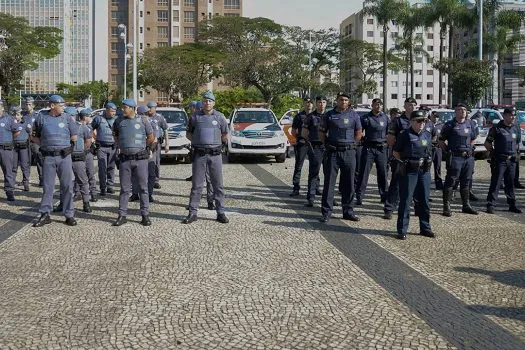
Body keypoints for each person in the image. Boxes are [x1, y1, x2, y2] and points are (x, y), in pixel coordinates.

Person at [183, 91, 229, 224]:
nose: (207, 103)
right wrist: (199, 142)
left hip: (215, 155)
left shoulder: (220, 117)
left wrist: (216, 144)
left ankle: (220, 212)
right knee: (196, 185)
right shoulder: (195, 117)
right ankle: (192, 212)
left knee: (218, 185)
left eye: (210, 101)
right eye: (205, 101)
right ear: (202, 103)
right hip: (200, 155)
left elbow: (225, 134)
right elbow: (188, 134)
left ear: (213, 103)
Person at [32, 95, 79, 227]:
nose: (63, 107)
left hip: (64, 157)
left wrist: (67, 148)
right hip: (48, 157)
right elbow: (34, 136)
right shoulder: (42, 117)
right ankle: (45, 214)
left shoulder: (68, 118)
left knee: (67, 186)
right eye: (61, 105)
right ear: (52, 105)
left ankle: (69, 215)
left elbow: (74, 137)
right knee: (48, 187)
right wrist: (45, 146)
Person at [318, 92, 362, 223]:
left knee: (349, 184)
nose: (343, 102)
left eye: (346, 100)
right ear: (337, 101)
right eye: (341, 99)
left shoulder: (354, 115)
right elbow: (321, 132)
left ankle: (348, 211)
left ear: (349, 102)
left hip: (349, 152)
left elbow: (359, 132)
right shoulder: (329, 115)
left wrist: (354, 144)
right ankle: (326, 212)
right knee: (329, 183)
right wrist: (326, 145)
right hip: (333, 152)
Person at [112, 99, 155, 226]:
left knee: (143, 188)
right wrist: (123, 146)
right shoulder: (118, 121)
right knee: (124, 189)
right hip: (125, 159)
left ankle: (145, 214)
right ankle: (122, 215)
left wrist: (142, 147)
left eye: (125, 107)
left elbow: (151, 137)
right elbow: (115, 135)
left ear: (132, 108)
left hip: (140, 159)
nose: (122, 109)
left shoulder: (143, 120)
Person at [394, 110, 434, 240]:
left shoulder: (427, 134)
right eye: (419, 121)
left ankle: (425, 227)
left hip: (424, 171)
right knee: (406, 200)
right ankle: (402, 229)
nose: (422, 123)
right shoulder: (405, 134)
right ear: (412, 122)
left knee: (424, 200)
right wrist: (406, 163)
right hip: (410, 170)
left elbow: (429, 151)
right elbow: (396, 152)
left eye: (424, 121)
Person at [438, 103, 479, 217]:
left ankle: (466, 205)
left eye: (464, 110)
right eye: (459, 110)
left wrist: (470, 148)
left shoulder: (470, 124)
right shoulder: (450, 125)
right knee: (451, 181)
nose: (462, 112)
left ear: (466, 112)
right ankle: (446, 206)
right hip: (455, 157)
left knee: (466, 181)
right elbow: (441, 140)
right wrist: (447, 151)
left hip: (468, 158)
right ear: (455, 112)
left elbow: (474, 138)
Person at [383, 98, 416, 219]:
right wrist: (394, 154)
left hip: (414, 157)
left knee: (415, 183)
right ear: (404, 106)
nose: (411, 107)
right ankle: (389, 208)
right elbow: (391, 139)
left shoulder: (419, 120)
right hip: (400, 157)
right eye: (409, 105)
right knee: (395, 183)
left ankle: (417, 208)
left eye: (413, 105)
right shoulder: (397, 121)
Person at [485, 108, 522, 214]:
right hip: (500, 160)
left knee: (510, 183)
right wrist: (494, 153)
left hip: (512, 160)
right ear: (505, 116)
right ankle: (491, 204)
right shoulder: (496, 128)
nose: (513, 117)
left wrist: (517, 154)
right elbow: (487, 144)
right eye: (511, 115)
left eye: (514, 115)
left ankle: (512, 204)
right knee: (496, 182)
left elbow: (517, 143)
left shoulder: (516, 128)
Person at [355, 98, 389, 205]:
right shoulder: (365, 118)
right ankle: (359, 196)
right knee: (364, 173)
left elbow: (389, 132)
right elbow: (359, 131)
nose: (378, 106)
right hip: (369, 148)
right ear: (372, 105)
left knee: (383, 173)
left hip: (381, 148)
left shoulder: (385, 118)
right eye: (376, 104)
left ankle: (384, 196)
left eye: (380, 104)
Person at [65, 106, 93, 213]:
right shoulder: (62, 127)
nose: (71, 118)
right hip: (65, 157)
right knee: (65, 182)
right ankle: (64, 203)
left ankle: (86, 203)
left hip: (77, 157)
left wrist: (81, 150)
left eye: (72, 116)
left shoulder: (82, 127)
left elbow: (88, 141)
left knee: (82, 180)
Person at [301, 95, 326, 207]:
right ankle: (311, 197)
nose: (321, 104)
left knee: (329, 174)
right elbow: (304, 133)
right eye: (319, 102)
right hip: (315, 147)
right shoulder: (311, 117)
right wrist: (310, 143)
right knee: (314, 173)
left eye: (324, 102)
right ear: (316, 103)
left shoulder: (330, 116)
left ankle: (328, 196)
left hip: (328, 148)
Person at [130, 105, 157, 203]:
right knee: (135, 174)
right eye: (141, 114)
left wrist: (149, 149)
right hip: (138, 152)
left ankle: (149, 194)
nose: (144, 116)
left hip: (149, 151)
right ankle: (135, 193)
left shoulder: (152, 123)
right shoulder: (134, 123)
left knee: (151, 174)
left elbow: (155, 139)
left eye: (145, 114)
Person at [91, 102, 118, 196]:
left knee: (111, 167)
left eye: (115, 111)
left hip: (112, 147)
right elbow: (90, 129)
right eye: (112, 111)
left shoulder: (117, 119)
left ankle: (110, 186)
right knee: (102, 168)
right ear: (106, 110)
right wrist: (94, 138)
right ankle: (103, 187)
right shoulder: (98, 119)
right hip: (101, 147)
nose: (113, 113)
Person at [290, 97, 314, 196]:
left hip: (314, 144)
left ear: (313, 104)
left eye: (310, 103)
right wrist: (299, 138)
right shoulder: (299, 116)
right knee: (298, 166)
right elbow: (293, 130)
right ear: (304, 104)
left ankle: (315, 187)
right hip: (302, 143)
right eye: (307, 102)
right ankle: (296, 188)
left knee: (314, 166)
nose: (309, 104)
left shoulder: (316, 115)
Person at [146, 101, 169, 189]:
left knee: (156, 162)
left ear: (155, 108)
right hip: (146, 143)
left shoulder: (160, 118)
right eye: (148, 108)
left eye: (151, 108)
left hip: (156, 144)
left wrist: (167, 144)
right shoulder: (144, 117)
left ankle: (156, 180)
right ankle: (147, 179)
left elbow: (166, 130)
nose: (149, 110)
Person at [0, 103, 20, 201]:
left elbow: (16, 132)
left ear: (2, 107)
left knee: (8, 171)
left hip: (5, 148)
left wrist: (8, 139)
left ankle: (9, 191)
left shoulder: (9, 118)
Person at [11, 106, 32, 192]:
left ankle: (26, 182)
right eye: (15, 114)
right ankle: (11, 183)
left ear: (21, 116)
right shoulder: (11, 123)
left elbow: (30, 133)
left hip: (24, 146)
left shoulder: (26, 123)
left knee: (24, 165)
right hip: (14, 147)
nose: (16, 116)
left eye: (18, 114)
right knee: (13, 166)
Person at [23, 97, 43, 186]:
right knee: (26, 162)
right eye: (26, 104)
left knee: (39, 161)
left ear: (33, 105)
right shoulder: (23, 115)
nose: (28, 106)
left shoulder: (38, 115)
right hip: (25, 141)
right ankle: (25, 181)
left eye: (29, 104)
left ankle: (42, 180)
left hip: (35, 142)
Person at [80, 109, 98, 202]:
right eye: (89, 116)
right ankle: (77, 192)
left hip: (88, 153)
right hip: (80, 154)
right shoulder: (77, 126)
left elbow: (94, 137)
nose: (90, 118)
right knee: (78, 175)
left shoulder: (90, 127)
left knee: (91, 173)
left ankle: (93, 193)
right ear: (85, 117)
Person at [430, 111, 444, 190]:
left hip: (438, 148)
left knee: (438, 166)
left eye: (437, 117)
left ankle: (438, 184)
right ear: (431, 116)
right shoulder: (428, 124)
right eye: (434, 116)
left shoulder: (441, 125)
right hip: (430, 148)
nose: (435, 118)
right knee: (427, 167)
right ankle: (426, 183)